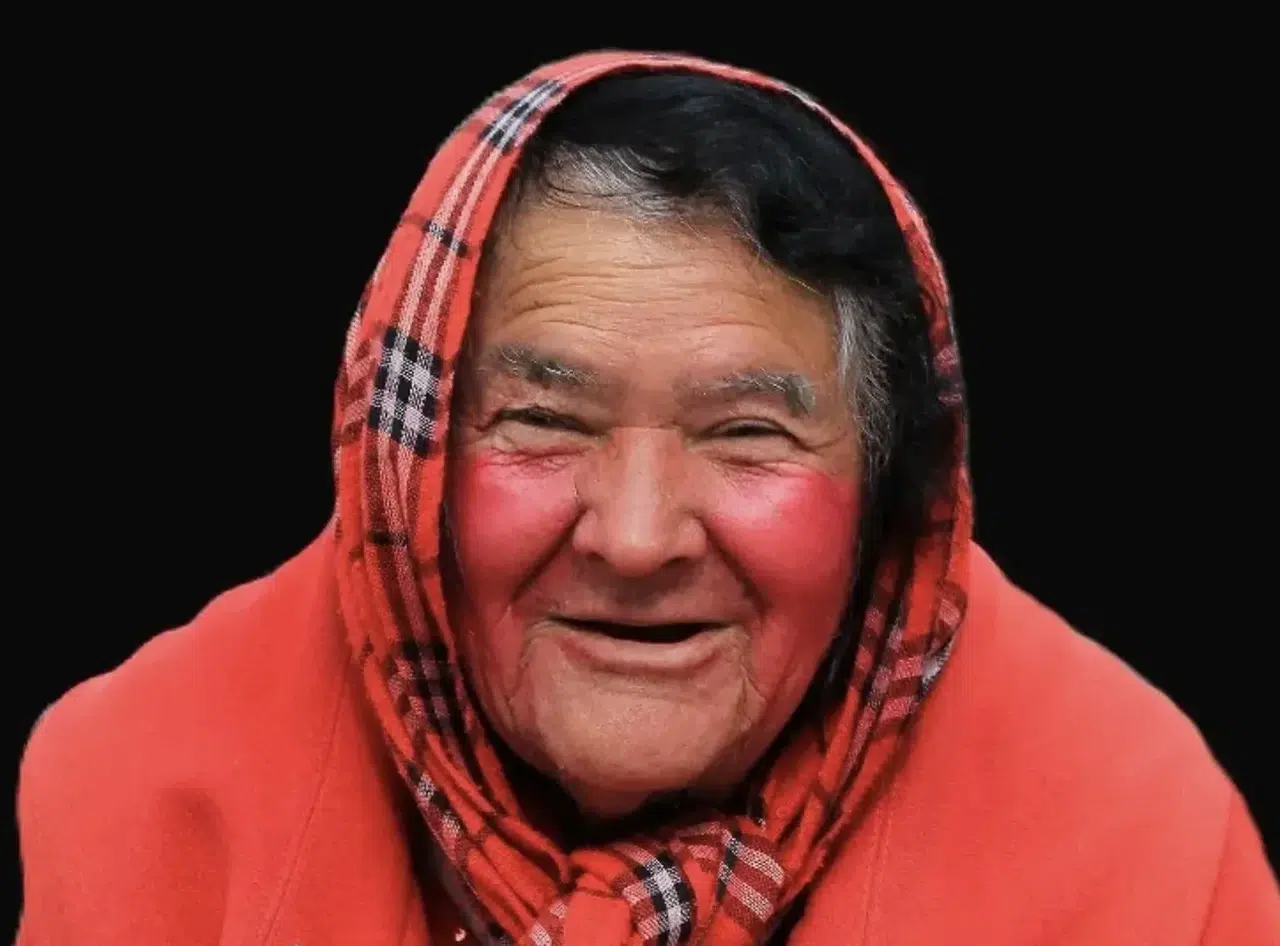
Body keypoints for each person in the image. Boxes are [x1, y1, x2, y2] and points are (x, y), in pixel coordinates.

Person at [14, 50, 1277, 946]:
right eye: (542, 422)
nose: (632, 536)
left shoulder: (1137, 833)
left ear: (884, 496)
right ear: (405, 464)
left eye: (745, 435)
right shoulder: (142, 791)